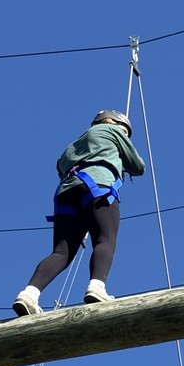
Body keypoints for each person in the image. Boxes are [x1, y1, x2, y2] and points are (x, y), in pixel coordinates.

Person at [13, 110, 146, 316]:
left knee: (61, 253)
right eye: (126, 131)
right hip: (98, 187)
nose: (125, 135)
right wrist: (120, 151)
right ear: (113, 122)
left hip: (66, 193)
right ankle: (97, 286)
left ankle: (29, 293)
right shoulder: (112, 131)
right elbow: (138, 166)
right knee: (104, 239)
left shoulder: (73, 146)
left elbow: (60, 166)